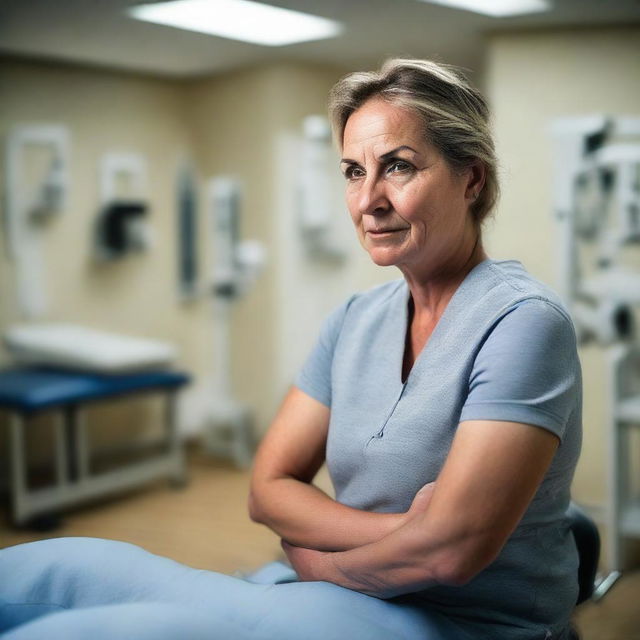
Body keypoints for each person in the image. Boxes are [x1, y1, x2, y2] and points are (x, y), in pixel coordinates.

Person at [0, 58, 582, 640]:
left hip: (463, 625)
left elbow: (449, 555)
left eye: (398, 167)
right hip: (331, 600)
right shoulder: (354, 321)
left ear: (471, 179)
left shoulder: (522, 323)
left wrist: (323, 563)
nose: (368, 200)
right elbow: (269, 489)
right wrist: (406, 528)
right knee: (63, 568)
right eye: (354, 172)